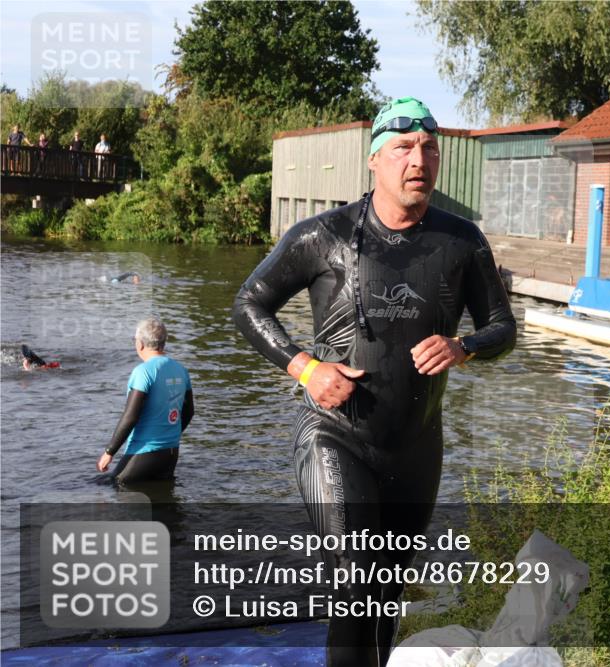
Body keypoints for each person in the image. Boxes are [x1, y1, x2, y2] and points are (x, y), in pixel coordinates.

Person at [233, 96, 516, 666]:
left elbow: (503, 328)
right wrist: (305, 368)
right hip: (335, 436)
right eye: (404, 148)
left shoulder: (462, 242)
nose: (419, 159)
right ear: (374, 160)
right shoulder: (323, 236)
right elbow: (248, 304)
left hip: (416, 448)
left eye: (430, 149)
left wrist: (464, 347)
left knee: (384, 596)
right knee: (353, 581)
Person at [97, 317, 194, 485]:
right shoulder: (181, 370)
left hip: (145, 452)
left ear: (140, 344)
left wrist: (109, 452)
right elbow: (189, 411)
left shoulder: (143, 372)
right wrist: (171, 435)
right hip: (171, 454)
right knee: (161, 498)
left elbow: (130, 416)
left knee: (112, 485)